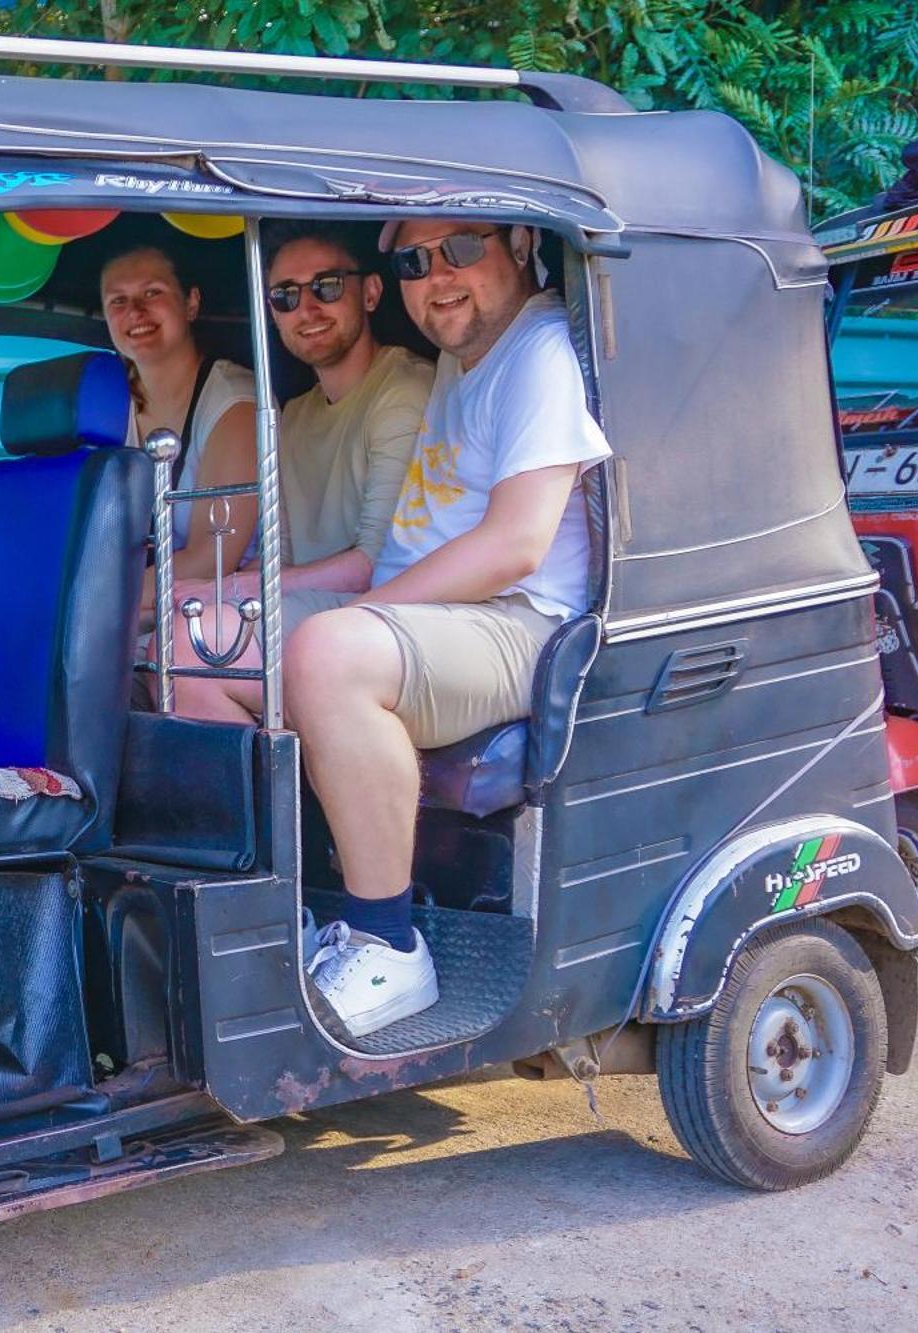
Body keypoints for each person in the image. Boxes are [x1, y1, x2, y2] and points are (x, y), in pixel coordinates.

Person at [289, 220, 612, 1038]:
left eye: (461, 250)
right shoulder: (460, 365)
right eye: (413, 262)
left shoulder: (538, 349)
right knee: (197, 643)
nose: (438, 277)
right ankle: (291, 914)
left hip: (519, 623)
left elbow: (516, 546)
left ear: (515, 244)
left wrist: (368, 612)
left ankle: (387, 944)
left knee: (330, 654)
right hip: (436, 617)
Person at [167, 222, 433, 722]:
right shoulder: (294, 415)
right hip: (318, 609)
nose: (305, 309)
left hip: (389, 614)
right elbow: (281, 556)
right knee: (175, 631)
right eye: (284, 296)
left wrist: (240, 589)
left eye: (326, 287)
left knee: (196, 642)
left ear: (370, 292)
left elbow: (378, 563)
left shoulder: (403, 390)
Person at [98, 242, 260, 593]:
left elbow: (212, 559)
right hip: (139, 609)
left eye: (152, 293)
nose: (135, 311)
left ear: (191, 303)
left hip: (223, 611)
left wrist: (94, 597)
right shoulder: (106, 402)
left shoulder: (234, 400)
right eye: (118, 301)